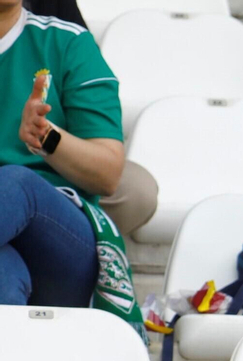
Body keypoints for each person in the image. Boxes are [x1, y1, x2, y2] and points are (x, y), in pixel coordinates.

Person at [0, 0, 124, 307]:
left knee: (16, 182)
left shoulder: (68, 42)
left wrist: (48, 139)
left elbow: (108, 175)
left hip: (62, 243)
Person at [20, 0, 156, 237]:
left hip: (52, 165)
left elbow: (84, 85)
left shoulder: (66, 34)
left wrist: (45, 135)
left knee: (135, 189)